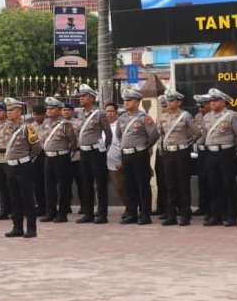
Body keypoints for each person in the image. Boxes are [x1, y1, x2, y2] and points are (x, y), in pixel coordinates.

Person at [200, 88, 237, 227]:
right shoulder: (207, 117)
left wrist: (230, 147)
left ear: (223, 101)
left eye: (215, 100)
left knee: (229, 184)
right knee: (213, 185)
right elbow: (205, 134)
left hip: (226, 152)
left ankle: (231, 216)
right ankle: (216, 215)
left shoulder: (232, 116)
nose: (212, 103)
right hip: (211, 153)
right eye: (210, 101)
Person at [115, 89, 158, 225]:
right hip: (126, 154)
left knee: (143, 185)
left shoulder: (144, 118)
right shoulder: (122, 118)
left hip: (140, 154)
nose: (126, 103)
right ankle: (131, 213)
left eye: (129, 100)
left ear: (137, 102)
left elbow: (154, 135)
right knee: (129, 185)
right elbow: (119, 136)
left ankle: (145, 214)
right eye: (125, 100)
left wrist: (144, 146)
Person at [156, 89, 199, 226]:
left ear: (179, 102)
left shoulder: (185, 116)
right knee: (169, 185)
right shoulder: (162, 117)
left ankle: (185, 215)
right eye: (168, 100)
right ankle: (171, 216)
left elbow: (196, 133)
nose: (169, 103)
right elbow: (160, 134)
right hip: (168, 153)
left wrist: (187, 144)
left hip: (181, 152)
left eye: (172, 100)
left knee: (183, 185)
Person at [3, 98, 41, 238]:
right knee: (14, 198)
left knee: (27, 198)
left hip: (23, 166)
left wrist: (27, 160)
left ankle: (31, 228)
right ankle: (17, 227)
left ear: (19, 111)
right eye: (8, 111)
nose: (9, 113)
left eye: (12, 110)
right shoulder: (6, 128)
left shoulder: (27, 128)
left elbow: (37, 148)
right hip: (10, 167)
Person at [76, 86, 111, 224]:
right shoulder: (80, 114)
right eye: (81, 96)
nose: (81, 98)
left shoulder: (99, 114)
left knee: (100, 184)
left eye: (84, 96)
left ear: (91, 98)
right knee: (86, 183)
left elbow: (108, 134)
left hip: (96, 151)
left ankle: (102, 214)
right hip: (84, 152)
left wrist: (103, 149)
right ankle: (88, 213)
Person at [40, 97, 75, 223]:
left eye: (52, 108)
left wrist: (65, 152)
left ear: (59, 110)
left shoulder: (65, 124)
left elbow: (72, 141)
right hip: (48, 156)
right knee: (49, 185)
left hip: (61, 156)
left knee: (63, 186)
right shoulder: (46, 123)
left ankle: (62, 213)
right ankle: (50, 212)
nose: (49, 111)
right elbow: (42, 138)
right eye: (47, 109)